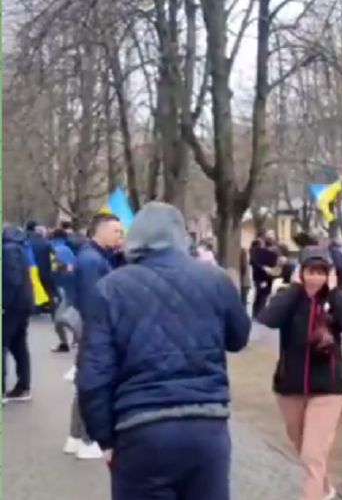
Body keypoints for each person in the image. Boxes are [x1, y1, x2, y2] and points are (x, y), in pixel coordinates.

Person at [77, 202, 252, 499]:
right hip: (206, 426)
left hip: (140, 429)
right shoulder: (214, 279)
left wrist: (103, 438)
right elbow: (238, 337)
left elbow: (93, 373)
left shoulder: (111, 289)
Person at [257, 247, 342, 499]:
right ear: (301, 273)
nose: (316, 278)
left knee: (311, 455)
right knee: (303, 448)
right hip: (290, 386)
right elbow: (268, 318)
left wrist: (333, 292)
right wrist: (293, 289)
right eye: (310, 272)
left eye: (321, 272)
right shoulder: (289, 298)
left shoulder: (337, 298)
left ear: (330, 274)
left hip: (328, 387)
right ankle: (325, 490)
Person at [66, 213, 127, 459]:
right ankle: (88, 439)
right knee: (94, 383)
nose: (120, 237)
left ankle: (75, 436)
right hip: (96, 331)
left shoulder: (95, 257)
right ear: (99, 231)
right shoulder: (92, 261)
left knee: (85, 382)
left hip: (92, 330)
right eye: (116, 231)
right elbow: (95, 303)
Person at [2, 225, 35, 404]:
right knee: (18, 344)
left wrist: (4, 304)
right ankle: (23, 387)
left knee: (6, 344)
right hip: (22, 303)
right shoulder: (17, 246)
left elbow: (11, 280)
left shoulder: (7, 249)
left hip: (12, 305)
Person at [50, 228, 79, 352]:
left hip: (65, 289)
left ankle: (75, 340)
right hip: (68, 288)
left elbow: (64, 268)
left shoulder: (58, 250)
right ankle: (70, 341)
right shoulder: (67, 249)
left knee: (60, 319)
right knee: (61, 319)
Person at [251, 230, 282, 316]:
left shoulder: (275, 249)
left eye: (272, 237)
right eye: (269, 237)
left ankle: (259, 312)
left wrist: (274, 268)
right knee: (260, 294)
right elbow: (255, 262)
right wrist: (264, 268)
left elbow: (278, 261)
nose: (270, 239)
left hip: (268, 276)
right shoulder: (259, 249)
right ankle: (257, 312)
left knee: (265, 293)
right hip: (261, 276)